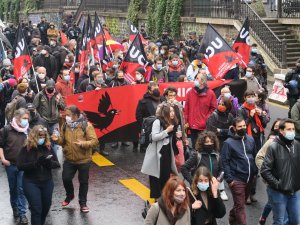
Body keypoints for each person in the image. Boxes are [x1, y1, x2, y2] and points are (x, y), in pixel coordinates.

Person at [55, 105, 98, 213]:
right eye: (66, 115)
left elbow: (94, 141)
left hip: (84, 160)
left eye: (68, 115)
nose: (66, 117)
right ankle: (70, 195)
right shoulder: (65, 125)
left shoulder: (86, 125)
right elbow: (62, 141)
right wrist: (57, 140)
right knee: (66, 179)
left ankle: (83, 203)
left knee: (83, 182)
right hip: (69, 159)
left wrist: (83, 143)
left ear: (75, 115)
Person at [17, 125, 60, 225]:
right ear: (34, 136)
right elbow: (19, 166)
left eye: (43, 136)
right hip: (31, 182)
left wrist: (48, 163)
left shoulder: (48, 147)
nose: (42, 138)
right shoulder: (26, 149)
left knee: (46, 207)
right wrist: (35, 164)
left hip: (47, 182)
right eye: (39, 136)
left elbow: (57, 164)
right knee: (36, 209)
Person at [261, 119, 300, 225]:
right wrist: (278, 184)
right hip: (278, 192)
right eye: (289, 129)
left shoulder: (296, 145)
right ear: (281, 131)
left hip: (294, 191)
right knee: (279, 221)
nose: (292, 131)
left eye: (293, 129)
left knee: (295, 221)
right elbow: (265, 170)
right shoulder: (273, 147)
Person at [221, 117, 257, 225]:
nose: (242, 128)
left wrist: (255, 173)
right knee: (240, 207)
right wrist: (230, 179)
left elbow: (254, 156)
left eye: (244, 126)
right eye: (240, 126)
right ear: (234, 128)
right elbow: (225, 161)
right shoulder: (228, 143)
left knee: (239, 204)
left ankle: (232, 219)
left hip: (250, 178)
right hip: (237, 179)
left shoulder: (250, 139)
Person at [141, 104, 179, 199]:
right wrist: (166, 131)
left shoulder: (172, 122)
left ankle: (164, 196)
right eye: (170, 111)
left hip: (166, 151)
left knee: (166, 175)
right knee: (156, 176)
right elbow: (154, 136)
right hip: (157, 152)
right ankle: (157, 199)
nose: (172, 113)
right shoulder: (158, 122)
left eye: (173, 111)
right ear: (165, 112)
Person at [0, 108, 30, 224]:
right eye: (24, 118)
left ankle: (23, 214)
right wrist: (3, 159)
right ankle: (16, 209)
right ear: (17, 118)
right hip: (10, 165)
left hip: (23, 165)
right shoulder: (6, 130)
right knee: (13, 189)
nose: (26, 121)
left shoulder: (28, 130)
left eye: (27, 118)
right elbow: (1, 146)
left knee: (21, 189)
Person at [181, 131, 228, 201]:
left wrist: (219, 179)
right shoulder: (197, 155)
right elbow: (184, 168)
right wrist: (192, 181)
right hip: (199, 189)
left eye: (211, 141)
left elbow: (222, 170)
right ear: (202, 143)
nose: (209, 144)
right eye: (207, 142)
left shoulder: (217, 156)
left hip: (213, 188)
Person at [255, 119, 281, 225]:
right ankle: (264, 218)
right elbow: (259, 157)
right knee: (274, 202)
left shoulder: (294, 144)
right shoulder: (271, 141)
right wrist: (266, 173)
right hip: (272, 179)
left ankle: (267, 219)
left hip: (287, 182)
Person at [184, 73, 217, 148]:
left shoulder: (211, 93)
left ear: (202, 81)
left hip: (204, 127)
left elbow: (213, 108)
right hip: (192, 126)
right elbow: (186, 109)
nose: (195, 80)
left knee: (203, 147)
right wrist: (186, 122)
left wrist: (206, 119)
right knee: (195, 147)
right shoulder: (190, 92)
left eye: (197, 78)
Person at [136, 82, 164, 152]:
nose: (156, 90)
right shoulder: (143, 101)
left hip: (161, 128)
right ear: (149, 91)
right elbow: (138, 116)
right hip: (149, 129)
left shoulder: (162, 99)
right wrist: (145, 126)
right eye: (154, 89)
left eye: (157, 88)